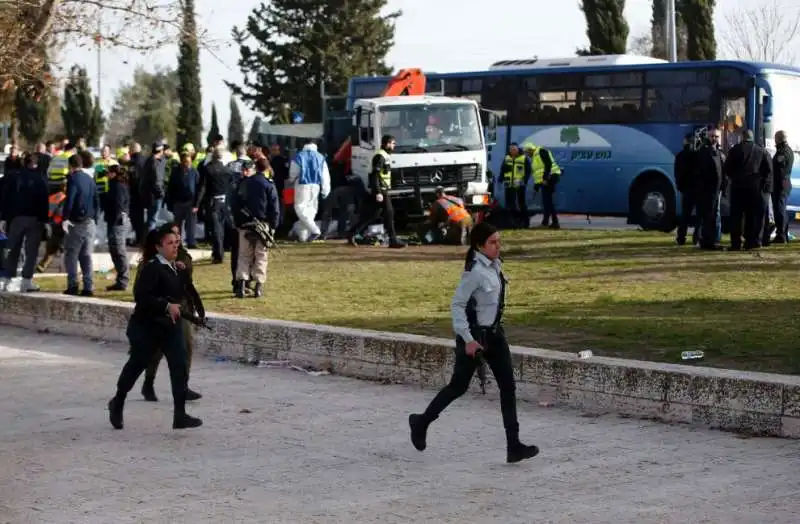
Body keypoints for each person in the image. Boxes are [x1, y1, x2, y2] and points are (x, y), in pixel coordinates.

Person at [407, 222, 539, 464]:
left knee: (508, 388)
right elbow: (457, 305)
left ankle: (514, 446)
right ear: (480, 245)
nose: (498, 246)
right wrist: (467, 340)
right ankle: (421, 422)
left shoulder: (495, 266)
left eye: (499, 241)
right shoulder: (474, 272)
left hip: (495, 335)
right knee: (458, 387)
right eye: (493, 242)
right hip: (474, 337)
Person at [108, 225, 203, 430]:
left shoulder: (174, 267)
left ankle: (180, 415)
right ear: (158, 247)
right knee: (136, 366)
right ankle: (118, 401)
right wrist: (166, 305)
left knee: (179, 366)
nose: (174, 246)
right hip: (149, 328)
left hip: (171, 327)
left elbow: (182, 292)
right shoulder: (152, 267)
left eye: (176, 242)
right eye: (169, 243)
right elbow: (141, 298)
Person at [141, 222, 205, 403]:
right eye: (172, 238)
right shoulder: (153, 259)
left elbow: (187, 276)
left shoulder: (183, 255)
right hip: (161, 308)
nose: (176, 241)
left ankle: (183, 387)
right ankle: (148, 382)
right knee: (157, 349)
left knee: (186, 347)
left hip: (182, 307)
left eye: (178, 237)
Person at [0, 152, 49, 292]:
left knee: (12, 248)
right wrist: (44, 220)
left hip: (16, 218)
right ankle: (26, 280)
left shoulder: (15, 176)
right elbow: (44, 201)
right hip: (34, 219)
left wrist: (4, 218)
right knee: (31, 251)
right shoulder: (40, 178)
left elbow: (7, 198)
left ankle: (7, 278)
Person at [233, 158, 281, 298]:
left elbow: (237, 204)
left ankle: (241, 285)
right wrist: (273, 226)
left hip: (245, 225)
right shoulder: (268, 185)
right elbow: (274, 208)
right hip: (262, 226)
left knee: (244, 256)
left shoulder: (245, 183)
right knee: (261, 256)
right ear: (266, 169)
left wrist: (238, 222)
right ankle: (258, 287)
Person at [347, 135, 406, 248]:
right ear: (387, 143)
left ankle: (352, 233)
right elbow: (374, 175)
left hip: (382, 189)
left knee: (372, 215)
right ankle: (393, 240)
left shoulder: (384, 156)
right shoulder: (380, 156)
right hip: (381, 190)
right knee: (389, 213)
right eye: (393, 143)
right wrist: (378, 192)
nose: (394, 146)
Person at [725, 130, 773, 250]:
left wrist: (735, 177)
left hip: (738, 187)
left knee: (736, 216)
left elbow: (727, 168)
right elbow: (768, 170)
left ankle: (735, 243)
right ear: (752, 138)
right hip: (755, 188)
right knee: (752, 216)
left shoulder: (735, 150)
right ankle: (751, 242)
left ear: (742, 137)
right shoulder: (761, 151)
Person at [62, 152, 99, 296]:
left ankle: (73, 285)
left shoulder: (73, 179)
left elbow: (70, 200)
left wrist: (65, 218)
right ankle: (88, 286)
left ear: (71, 166)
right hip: (90, 222)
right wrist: (95, 216)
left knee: (71, 254)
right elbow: (96, 199)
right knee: (86, 255)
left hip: (76, 223)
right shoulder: (89, 179)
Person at [289, 140, 330, 242]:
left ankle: (315, 230)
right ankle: (304, 235)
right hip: (316, 185)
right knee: (311, 209)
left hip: (302, 184)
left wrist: (291, 179)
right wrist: (325, 190)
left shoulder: (299, 156)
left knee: (300, 207)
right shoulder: (320, 157)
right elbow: (325, 175)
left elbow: (293, 172)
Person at [694, 129, 726, 250]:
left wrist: (723, 187)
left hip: (717, 190)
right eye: (712, 136)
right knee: (706, 215)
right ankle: (704, 239)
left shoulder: (720, 153)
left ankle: (715, 239)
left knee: (715, 214)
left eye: (717, 136)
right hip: (706, 190)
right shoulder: (703, 152)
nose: (714, 139)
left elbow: (723, 173)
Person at [103, 164, 130, 291]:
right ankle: (120, 278)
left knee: (119, 250)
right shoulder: (116, 185)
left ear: (114, 173)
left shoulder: (118, 186)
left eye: (108, 172)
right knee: (115, 250)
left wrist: (114, 219)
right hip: (114, 221)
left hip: (116, 223)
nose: (107, 174)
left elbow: (118, 206)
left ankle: (123, 279)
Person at [527, 143, 562, 228]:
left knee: (548, 201)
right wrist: (536, 187)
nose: (527, 154)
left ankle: (554, 223)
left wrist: (545, 178)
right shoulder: (535, 157)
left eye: (527, 152)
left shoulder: (541, 151)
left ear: (531, 150)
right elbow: (538, 174)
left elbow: (548, 164)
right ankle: (547, 222)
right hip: (546, 180)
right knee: (547, 201)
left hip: (551, 177)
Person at [675, 133, 698, 246]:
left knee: (685, 215)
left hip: (686, 189)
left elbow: (677, 173)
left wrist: (680, 186)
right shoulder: (697, 155)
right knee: (699, 215)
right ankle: (696, 237)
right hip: (696, 188)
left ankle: (681, 237)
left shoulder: (680, 155)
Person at [770, 130, 794, 244]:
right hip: (785, 183)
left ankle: (781, 235)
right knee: (781, 209)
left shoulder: (782, 152)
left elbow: (779, 170)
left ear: (778, 139)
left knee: (779, 210)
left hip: (781, 184)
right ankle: (783, 234)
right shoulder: (788, 150)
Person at [500, 143, 531, 227]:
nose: (512, 151)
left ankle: (526, 223)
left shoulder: (524, 158)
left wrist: (524, 181)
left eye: (514, 149)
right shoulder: (507, 158)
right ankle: (512, 223)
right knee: (509, 205)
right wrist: (500, 178)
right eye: (511, 149)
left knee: (521, 204)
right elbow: (502, 169)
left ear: (518, 149)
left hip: (520, 184)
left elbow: (528, 171)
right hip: (508, 184)